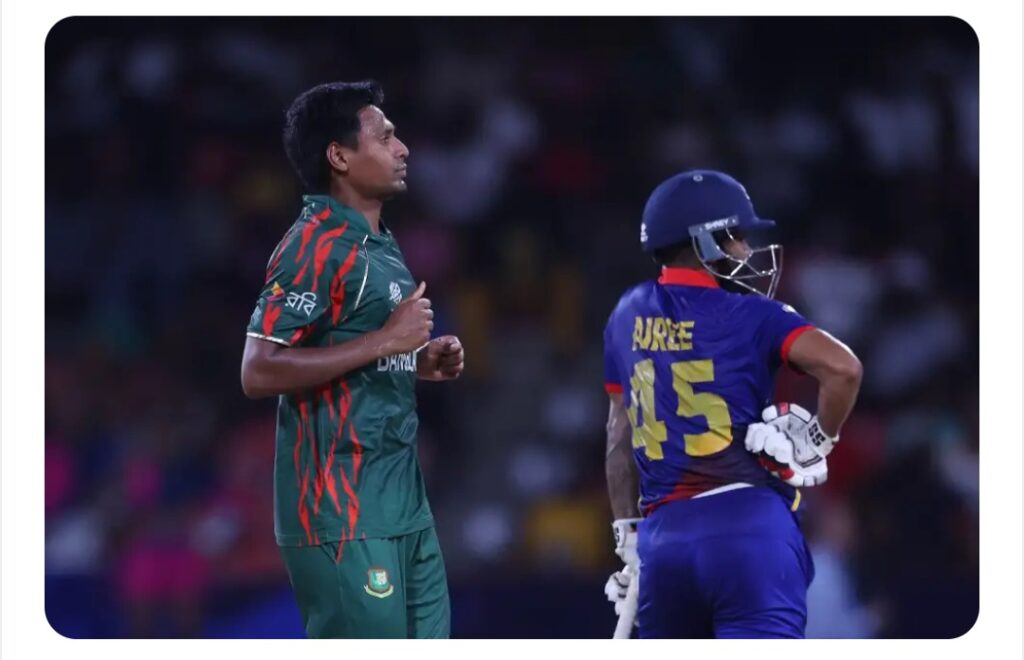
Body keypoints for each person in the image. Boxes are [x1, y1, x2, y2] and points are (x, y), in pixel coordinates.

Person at [240, 81, 464, 639]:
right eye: (385, 138)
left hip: (404, 505)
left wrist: (415, 360)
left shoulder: (379, 243)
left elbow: (357, 350)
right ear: (339, 157)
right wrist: (385, 342)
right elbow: (258, 369)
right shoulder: (313, 245)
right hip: (339, 510)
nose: (403, 148)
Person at [601, 169, 862, 638]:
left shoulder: (626, 313)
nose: (746, 250)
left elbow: (619, 437)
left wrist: (628, 538)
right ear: (706, 242)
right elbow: (844, 369)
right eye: (738, 237)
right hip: (749, 527)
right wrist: (817, 439)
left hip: (663, 541)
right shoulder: (754, 314)